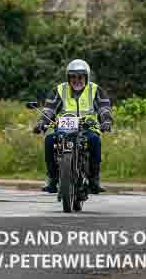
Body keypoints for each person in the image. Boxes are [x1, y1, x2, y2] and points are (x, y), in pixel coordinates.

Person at [33, 59, 113, 194]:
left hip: (87, 128)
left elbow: (104, 108)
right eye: (73, 77)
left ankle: (94, 179)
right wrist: (42, 123)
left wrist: (106, 121)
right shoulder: (59, 90)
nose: (77, 80)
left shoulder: (95, 90)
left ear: (86, 77)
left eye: (80, 76)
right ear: (68, 77)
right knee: (49, 140)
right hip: (63, 128)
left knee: (95, 141)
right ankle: (52, 178)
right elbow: (49, 110)